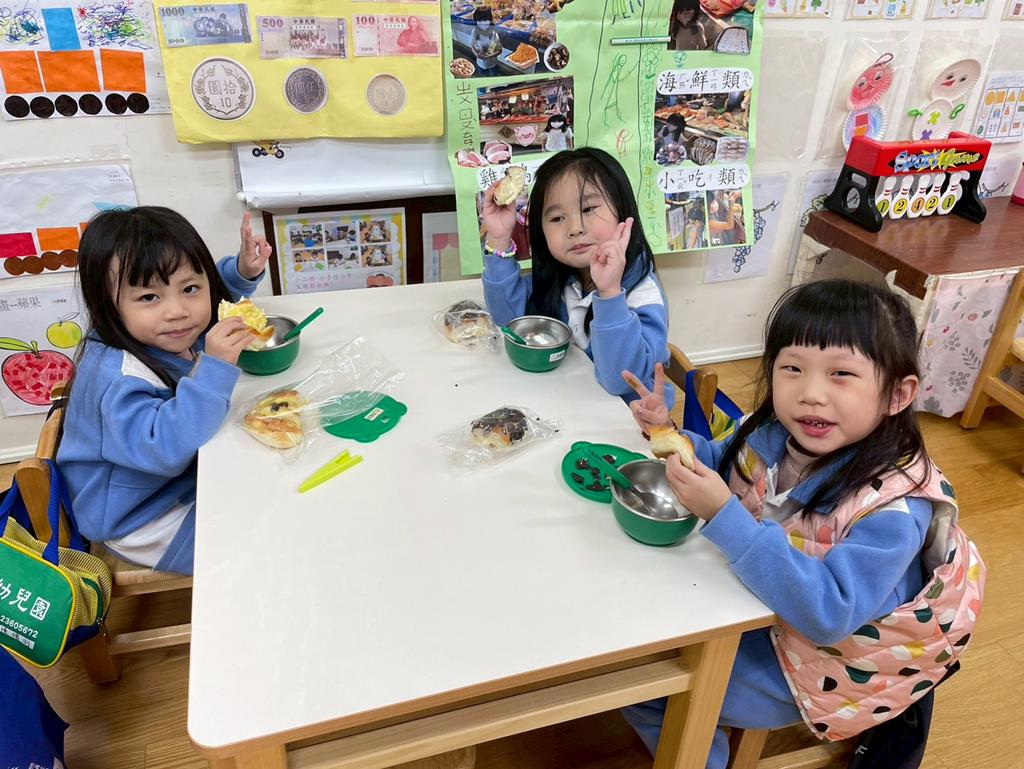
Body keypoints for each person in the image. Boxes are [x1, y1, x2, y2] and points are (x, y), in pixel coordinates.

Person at [620, 280, 985, 769]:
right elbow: (722, 463)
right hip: (771, 612)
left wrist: (726, 518)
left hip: (823, 664)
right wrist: (668, 433)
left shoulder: (894, 512)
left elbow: (827, 614)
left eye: (841, 374)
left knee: (647, 683)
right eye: (792, 368)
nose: (811, 394)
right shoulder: (776, 432)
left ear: (897, 394)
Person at [56, 207, 272, 575]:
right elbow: (164, 449)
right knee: (265, 544)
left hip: (170, 483)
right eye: (148, 298)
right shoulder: (118, 377)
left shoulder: (155, 331)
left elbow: (211, 294)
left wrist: (241, 272)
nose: (178, 311)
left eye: (189, 289)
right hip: (141, 519)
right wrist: (215, 370)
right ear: (108, 305)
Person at [481, 147, 672, 406]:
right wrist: (499, 238)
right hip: (566, 402)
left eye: (588, 208)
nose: (575, 228)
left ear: (622, 210)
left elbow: (620, 382)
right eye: (557, 218)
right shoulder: (564, 276)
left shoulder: (642, 293)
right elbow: (509, 322)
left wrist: (610, 294)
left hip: (624, 419)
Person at [470, 7, 501, 76]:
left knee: (493, 78)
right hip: (480, 64)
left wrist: (489, 56)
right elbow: (472, 46)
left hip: (492, 64)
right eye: (479, 21)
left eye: (485, 21)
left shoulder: (493, 33)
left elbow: (499, 50)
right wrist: (476, 54)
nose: (482, 24)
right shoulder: (475, 32)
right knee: (481, 77)